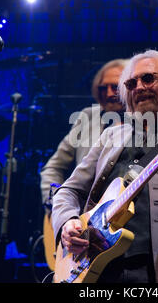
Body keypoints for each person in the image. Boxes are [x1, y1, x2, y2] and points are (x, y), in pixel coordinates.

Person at [51, 49, 158, 283]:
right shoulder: (110, 136)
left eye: (149, 78)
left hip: (157, 275)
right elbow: (69, 190)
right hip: (97, 271)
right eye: (131, 83)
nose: (139, 87)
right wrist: (66, 222)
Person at [40, 58, 129, 205]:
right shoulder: (87, 116)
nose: (108, 94)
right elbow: (53, 167)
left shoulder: (144, 122)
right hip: (78, 219)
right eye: (103, 88)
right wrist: (55, 203)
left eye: (115, 87)